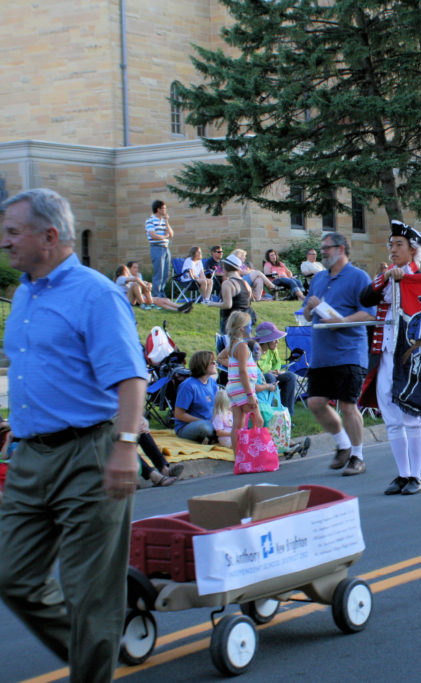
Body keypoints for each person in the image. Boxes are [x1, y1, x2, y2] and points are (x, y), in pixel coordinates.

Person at [0, 188, 147, 681]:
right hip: (29, 455)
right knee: (12, 576)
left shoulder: (95, 294)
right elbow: (29, 368)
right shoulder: (24, 291)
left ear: (49, 235)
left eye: (13, 232)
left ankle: (93, 660)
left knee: (91, 593)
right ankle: (94, 649)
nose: (5, 242)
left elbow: (130, 376)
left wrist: (126, 449)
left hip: (91, 453)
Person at [360, 220, 421, 495]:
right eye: (391, 244)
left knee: (412, 417)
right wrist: (385, 277)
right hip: (385, 355)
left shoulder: (419, 280)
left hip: (409, 357)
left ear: (413, 250)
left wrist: (405, 281)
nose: (392, 249)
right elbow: (365, 297)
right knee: (391, 417)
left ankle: (416, 474)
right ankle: (402, 474)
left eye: (399, 244)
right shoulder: (387, 277)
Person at [301, 232, 374, 475]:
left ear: (341, 249)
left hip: (349, 352)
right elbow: (307, 312)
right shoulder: (319, 278)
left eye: (326, 248)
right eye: (321, 248)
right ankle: (343, 445)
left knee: (347, 405)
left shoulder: (358, 277)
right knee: (315, 402)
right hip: (322, 354)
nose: (322, 252)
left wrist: (342, 320)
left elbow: (369, 313)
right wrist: (311, 309)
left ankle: (357, 456)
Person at [224, 310, 265, 451]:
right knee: (258, 420)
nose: (251, 328)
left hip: (233, 387)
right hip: (243, 389)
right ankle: (255, 453)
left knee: (238, 424)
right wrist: (250, 395)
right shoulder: (242, 346)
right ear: (242, 328)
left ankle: (239, 458)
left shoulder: (232, 345)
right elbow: (242, 371)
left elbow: (222, 358)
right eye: (249, 326)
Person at [173, 350, 221, 443]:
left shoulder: (212, 382)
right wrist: (205, 421)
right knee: (206, 428)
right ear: (203, 364)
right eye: (212, 362)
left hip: (210, 422)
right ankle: (213, 437)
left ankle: (212, 438)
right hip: (188, 426)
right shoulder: (188, 386)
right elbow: (179, 414)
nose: (215, 364)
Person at [253, 321, 299, 416]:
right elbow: (252, 369)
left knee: (291, 376)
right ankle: (270, 414)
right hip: (259, 380)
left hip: (272, 377)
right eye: (274, 339)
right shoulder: (255, 350)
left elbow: (277, 364)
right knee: (270, 377)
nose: (277, 341)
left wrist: (277, 371)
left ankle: (287, 415)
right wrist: (268, 372)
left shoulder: (273, 350)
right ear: (266, 340)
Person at [206, 252, 254, 333]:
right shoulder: (246, 283)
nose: (222, 269)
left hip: (231, 322)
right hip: (245, 322)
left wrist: (211, 303)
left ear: (227, 267)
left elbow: (227, 305)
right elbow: (249, 301)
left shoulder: (227, 283)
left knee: (229, 345)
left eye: (223, 267)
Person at [114, 263, 191, 312]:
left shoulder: (129, 278)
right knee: (135, 284)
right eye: (127, 271)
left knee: (161, 300)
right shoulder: (121, 278)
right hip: (126, 300)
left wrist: (147, 284)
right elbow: (136, 280)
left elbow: (140, 281)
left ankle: (178, 308)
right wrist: (144, 285)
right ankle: (143, 305)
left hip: (135, 298)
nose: (128, 273)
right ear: (123, 272)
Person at [146, 199, 174, 297]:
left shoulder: (163, 221)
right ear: (158, 209)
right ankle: (156, 295)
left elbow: (171, 234)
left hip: (166, 248)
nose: (165, 210)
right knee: (159, 272)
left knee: (166, 272)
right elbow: (153, 235)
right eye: (164, 208)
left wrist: (166, 222)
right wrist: (164, 237)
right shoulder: (150, 221)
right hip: (156, 248)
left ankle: (162, 293)